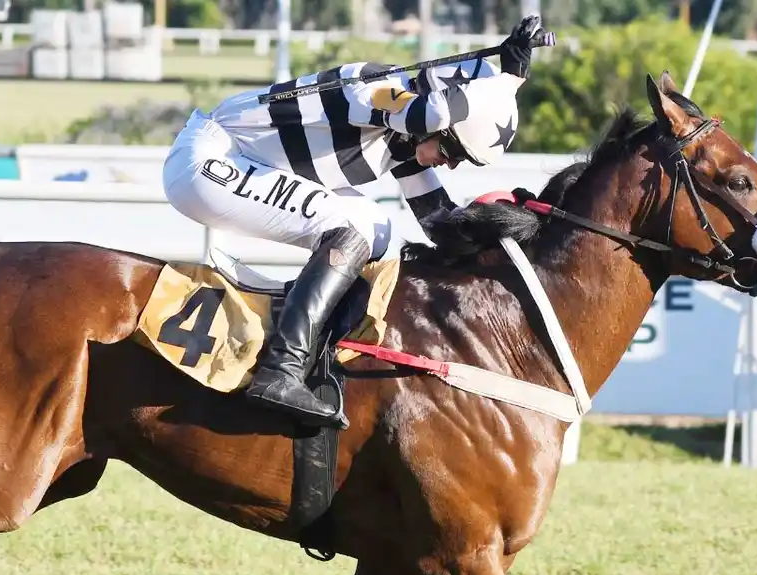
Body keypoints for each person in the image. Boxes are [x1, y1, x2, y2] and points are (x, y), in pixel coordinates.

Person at [162, 16, 550, 428]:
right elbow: (425, 116)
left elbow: (439, 222)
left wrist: (509, 226)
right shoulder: (375, 88)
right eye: (453, 149)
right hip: (209, 162)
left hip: (234, 164)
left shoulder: (400, 140)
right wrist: (508, 83)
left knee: (378, 231)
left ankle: (307, 349)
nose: (451, 164)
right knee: (353, 228)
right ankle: (282, 370)